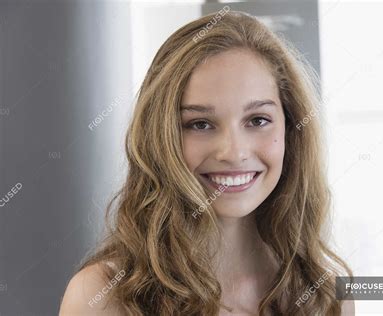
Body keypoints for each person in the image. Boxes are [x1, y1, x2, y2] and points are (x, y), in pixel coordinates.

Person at [59, 10, 354, 316]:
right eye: (200, 124)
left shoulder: (328, 293)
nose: (234, 152)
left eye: (257, 120)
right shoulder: (100, 295)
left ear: (291, 129)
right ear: (161, 137)